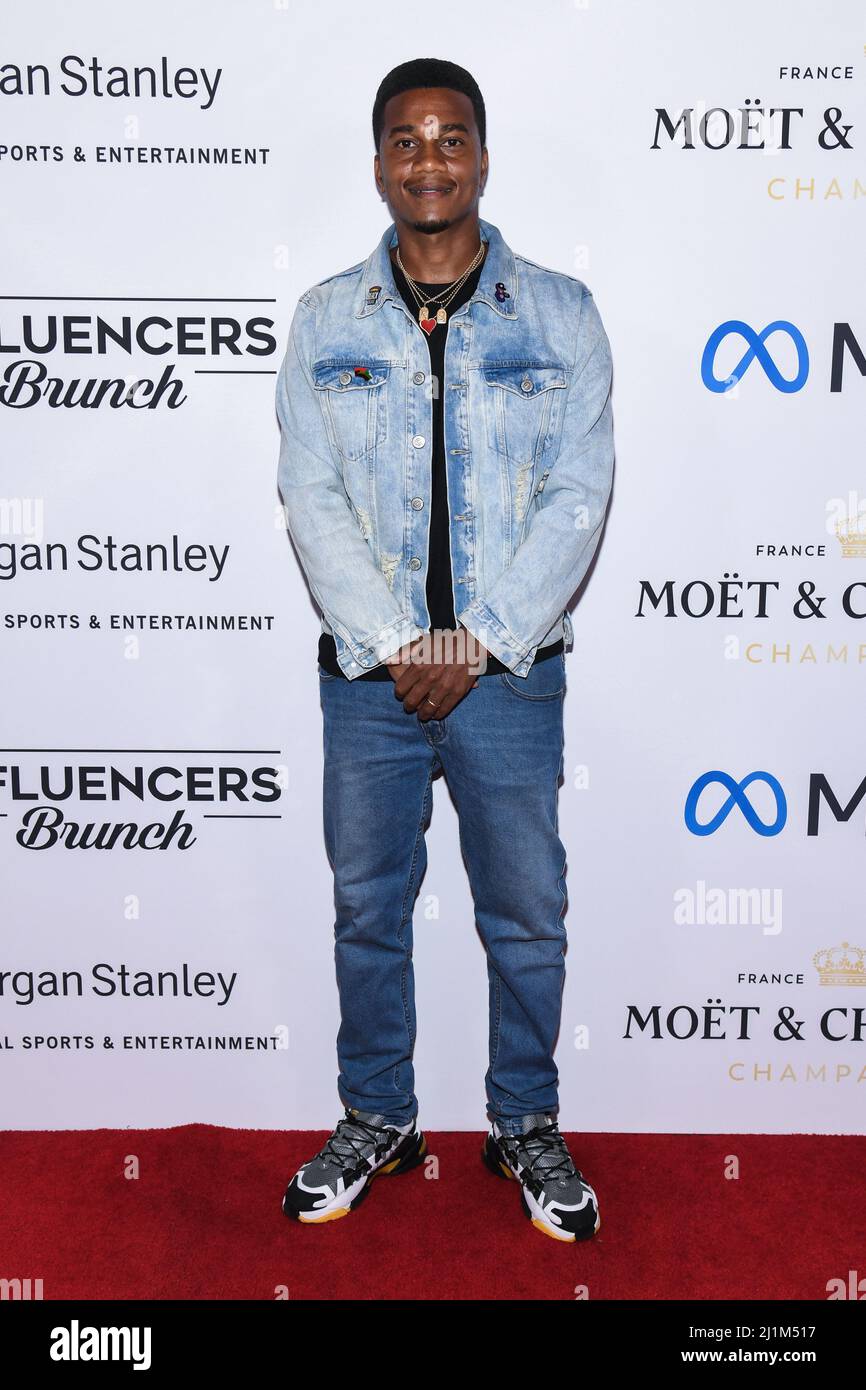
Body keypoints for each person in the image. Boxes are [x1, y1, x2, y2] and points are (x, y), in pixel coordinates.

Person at [275, 57, 614, 1242]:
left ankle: (522, 1119)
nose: (429, 160)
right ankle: (379, 1114)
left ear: (481, 154)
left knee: (524, 913)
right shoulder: (325, 318)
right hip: (368, 684)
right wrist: (392, 642)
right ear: (378, 163)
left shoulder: (561, 313)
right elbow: (307, 494)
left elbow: (580, 494)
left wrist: (476, 644)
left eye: (451, 137)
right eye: (406, 141)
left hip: (509, 680)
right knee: (369, 910)